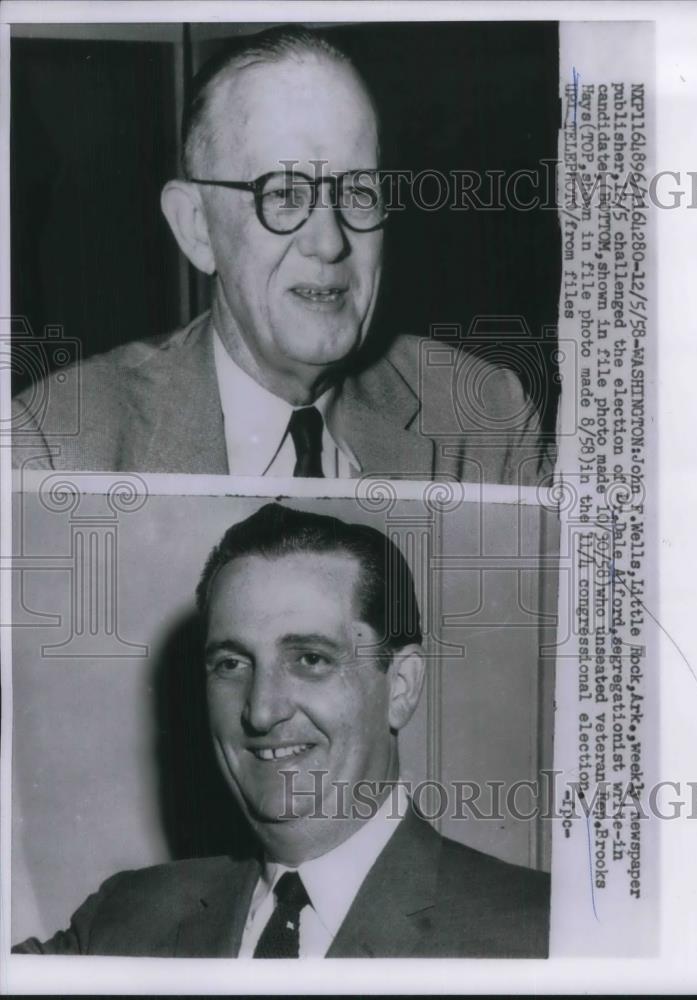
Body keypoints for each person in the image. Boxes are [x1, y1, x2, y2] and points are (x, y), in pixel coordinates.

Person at [11, 25, 550, 484]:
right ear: (197, 227)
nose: (329, 241)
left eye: (358, 192)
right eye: (284, 195)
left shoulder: (484, 423)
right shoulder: (58, 447)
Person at [13, 503, 550, 958]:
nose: (261, 712)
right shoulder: (124, 921)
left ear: (402, 686)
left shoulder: (536, 931)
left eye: (311, 658)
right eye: (231, 664)